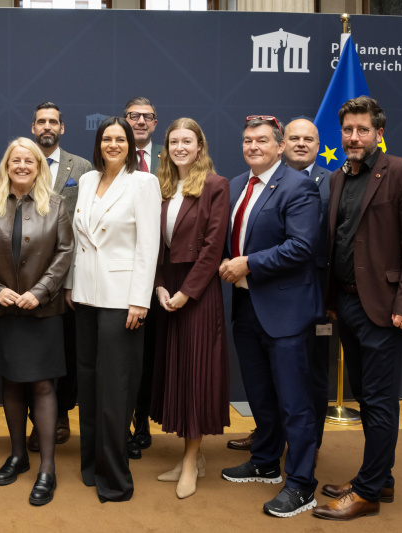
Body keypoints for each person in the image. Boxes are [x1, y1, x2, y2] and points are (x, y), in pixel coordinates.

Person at [313, 97, 402, 521]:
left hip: (387, 308)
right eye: (347, 130)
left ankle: (366, 493)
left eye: (362, 130)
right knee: (366, 396)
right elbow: (338, 241)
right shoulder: (338, 179)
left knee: (379, 401)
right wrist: (331, 301)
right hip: (346, 304)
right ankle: (380, 477)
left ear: (378, 132)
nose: (353, 138)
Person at [219, 115, 321, 518]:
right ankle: (264, 461)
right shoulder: (235, 185)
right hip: (246, 308)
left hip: (285, 311)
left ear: (280, 147)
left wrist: (247, 263)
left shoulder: (299, 187)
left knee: (295, 403)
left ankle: (300, 484)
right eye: (247, 140)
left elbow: (301, 247)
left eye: (262, 140)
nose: (253, 146)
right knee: (260, 394)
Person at [0, 137, 74, 506]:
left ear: (39, 166)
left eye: (30, 160)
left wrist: (41, 291)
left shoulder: (55, 204)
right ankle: (17, 455)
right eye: (16, 160)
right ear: (7, 165)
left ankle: (47, 468)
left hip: (41, 310)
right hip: (2, 309)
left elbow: (65, 253)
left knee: (43, 385)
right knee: (10, 381)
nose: (23, 165)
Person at [66, 116, 161, 502]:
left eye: (120, 138)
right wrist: (72, 285)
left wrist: (140, 299)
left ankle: (115, 477)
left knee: (116, 389)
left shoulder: (144, 182)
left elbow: (149, 244)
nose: (113, 144)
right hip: (86, 296)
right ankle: (91, 465)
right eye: (107, 138)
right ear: (98, 143)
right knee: (88, 384)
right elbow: (78, 240)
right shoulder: (87, 180)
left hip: (123, 300)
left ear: (130, 144)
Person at [150, 118, 230, 499]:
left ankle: (190, 463)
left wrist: (186, 292)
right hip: (169, 290)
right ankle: (192, 458)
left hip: (198, 293)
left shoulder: (216, 185)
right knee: (179, 374)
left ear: (200, 145)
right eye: (174, 141)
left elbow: (214, 248)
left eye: (188, 140)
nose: (180, 147)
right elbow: (155, 245)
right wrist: (161, 285)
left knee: (197, 376)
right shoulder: (162, 187)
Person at [27, 102, 92, 452]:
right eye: (41, 121)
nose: (47, 126)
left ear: (62, 128)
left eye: (53, 121)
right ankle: (36, 421)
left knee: (65, 349)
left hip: (68, 277)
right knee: (32, 351)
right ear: (33, 127)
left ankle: (62, 414)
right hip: (24, 278)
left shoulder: (81, 167)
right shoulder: (19, 160)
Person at [123, 96, 161, 458]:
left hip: (161, 272)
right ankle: (120, 424)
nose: (140, 122)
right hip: (119, 271)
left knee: (149, 355)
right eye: (133, 116)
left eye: (147, 117)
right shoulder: (111, 159)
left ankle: (143, 423)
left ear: (155, 122)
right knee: (125, 354)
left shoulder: (170, 158)